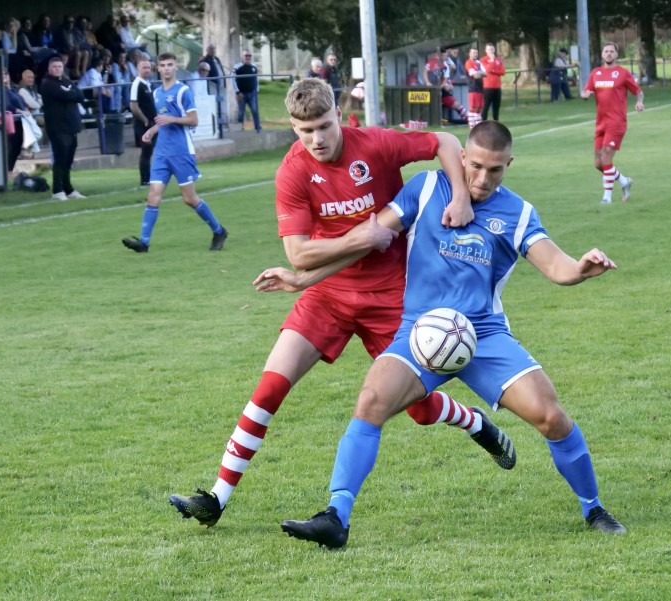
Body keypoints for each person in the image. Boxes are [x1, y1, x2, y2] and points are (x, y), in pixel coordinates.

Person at [167, 78, 515, 528]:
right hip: (326, 295)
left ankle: (473, 423)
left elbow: (446, 141)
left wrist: (462, 197)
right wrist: (360, 238)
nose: (317, 139)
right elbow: (298, 253)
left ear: (339, 116)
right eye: (304, 130)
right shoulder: (292, 172)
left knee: (418, 408)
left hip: (392, 297)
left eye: (325, 126)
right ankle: (216, 498)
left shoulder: (375, 144)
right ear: (294, 127)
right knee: (270, 386)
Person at [271, 120, 627, 549]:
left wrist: (581, 269)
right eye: (475, 166)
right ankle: (335, 517)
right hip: (420, 333)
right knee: (370, 401)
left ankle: (593, 507)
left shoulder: (518, 213)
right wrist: (303, 278)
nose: (481, 178)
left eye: (494, 170)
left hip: (484, 337)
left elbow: (557, 267)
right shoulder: (424, 189)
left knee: (550, 416)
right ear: (462, 158)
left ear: (508, 165)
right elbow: (368, 240)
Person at [122, 53, 228, 253]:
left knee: (189, 198)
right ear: (158, 69)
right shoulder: (156, 93)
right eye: (162, 65)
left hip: (181, 152)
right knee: (153, 195)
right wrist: (152, 130)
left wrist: (172, 119)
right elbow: (161, 122)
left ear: (176, 67)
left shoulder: (183, 91)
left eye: (170, 64)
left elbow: (193, 120)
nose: (167, 68)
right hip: (162, 152)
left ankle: (219, 230)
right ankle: (144, 243)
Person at [580, 42, 644, 204]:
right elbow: (588, 90)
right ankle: (624, 181)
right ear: (602, 54)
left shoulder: (623, 73)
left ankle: (607, 198)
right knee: (598, 163)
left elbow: (638, 91)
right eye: (606, 51)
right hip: (600, 122)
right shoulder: (596, 73)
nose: (608, 54)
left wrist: (639, 102)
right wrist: (585, 94)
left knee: (606, 157)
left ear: (616, 55)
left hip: (617, 122)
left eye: (611, 51)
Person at [39, 55, 86, 200]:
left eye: (59, 66)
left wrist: (70, 92)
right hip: (58, 127)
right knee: (60, 158)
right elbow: (65, 96)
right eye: (54, 67)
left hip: (71, 126)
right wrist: (70, 93)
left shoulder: (66, 81)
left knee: (68, 159)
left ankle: (68, 189)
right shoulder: (47, 83)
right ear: (49, 68)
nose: (57, 69)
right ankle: (57, 190)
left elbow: (80, 95)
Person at [129, 57, 157, 186]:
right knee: (146, 150)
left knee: (150, 150)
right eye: (144, 68)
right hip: (144, 124)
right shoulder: (137, 83)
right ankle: (145, 179)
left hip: (153, 123)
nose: (146, 70)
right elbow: (133, 105)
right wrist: (145, 120)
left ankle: (150, 177)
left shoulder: (148, 84)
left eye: (148, 68)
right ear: (138, 69)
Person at [2, 69, 28, 174]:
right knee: (11, 147)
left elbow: (21, 100)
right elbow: (7, 105)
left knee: (17, 146)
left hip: (18, 121)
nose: (3, 76)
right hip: (9, 121)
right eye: (1, 74)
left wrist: (25, 109)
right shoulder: (1, 90)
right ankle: (7, 171)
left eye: (5, 74)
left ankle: (10, 170)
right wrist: (21, 111)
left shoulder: (13, 89)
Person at [233, 49, 261, 133]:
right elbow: (233, 80)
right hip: (241, 93)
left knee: (255, 110)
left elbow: (257, 79)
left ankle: (257, 128)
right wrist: (237, 92)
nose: (248, 57)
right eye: (246, 55)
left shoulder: (254, 67)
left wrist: (257, 90)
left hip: (252, 93)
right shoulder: (237, 67)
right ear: (242, 56)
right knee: (241, 112)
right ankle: (240, 128)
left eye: (249, 56)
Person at [480, 43, 505, 121]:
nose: (490, 51)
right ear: (486, 50)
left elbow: (502, 71)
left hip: (497, 86)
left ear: (494, 50)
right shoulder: (483, 60)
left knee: (496, 106)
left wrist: (494, 70)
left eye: (492, 49)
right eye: (489, 49)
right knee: (486, 105)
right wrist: (492, 61)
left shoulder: (498, 60)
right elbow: (487, 70)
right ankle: (483, 122)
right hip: (488, 87)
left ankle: (496, 121)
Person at [464, 47, 486, 129]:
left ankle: (478, 126)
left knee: (479, 107)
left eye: (476, 53)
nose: (475, 54)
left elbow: (486, 73)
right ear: (469, 54)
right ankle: (472, 126)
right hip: (473, 87)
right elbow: (475, 76)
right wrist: (480, 73)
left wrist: (479, 73)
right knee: (473, 107)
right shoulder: (468, 63)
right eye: (473, 53)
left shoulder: (478, 62)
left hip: (480, 87)